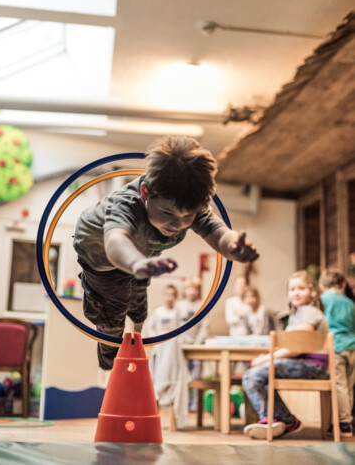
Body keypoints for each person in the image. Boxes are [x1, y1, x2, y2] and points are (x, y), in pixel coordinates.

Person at [73, 136, 259, 370]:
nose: (178, 223)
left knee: (139, 296)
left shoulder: (190, 205)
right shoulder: (126, 204)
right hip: (100, 256)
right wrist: (135, 263)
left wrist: (233, 246)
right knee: (113, 308)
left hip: (141, 254)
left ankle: (137, 318)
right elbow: (115, 241)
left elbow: (219, 233)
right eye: (167, 212)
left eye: (187, 216)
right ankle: (110, 349)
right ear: (145, 192)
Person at [242, 271, 329, 439]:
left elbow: (297, 347)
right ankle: (276, 418)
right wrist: (269, 354)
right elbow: (291, 346)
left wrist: (266, 358)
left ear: (312, 291)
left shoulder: (309, 312)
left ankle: (281, 419)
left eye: (301, 288)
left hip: (313, 366)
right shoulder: (297, 314)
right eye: (292, 289)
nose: (296, 293)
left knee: (256, 374)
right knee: (251, 375)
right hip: (302, 364)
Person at [319, 268, 355, 438]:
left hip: (336, 347)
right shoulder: (350, 302)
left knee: (339, 385)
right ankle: (348, 419)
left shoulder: (323, 300)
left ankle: (343, 423)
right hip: (352, 347)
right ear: (342, 284)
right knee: (348, 385)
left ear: (322, 285)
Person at [176, 277, 208, 412]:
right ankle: (183, 404)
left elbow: (205, 327)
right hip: (182, 346)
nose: (191, 291)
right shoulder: (179, 306)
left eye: (194, 289)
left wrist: (197, 343)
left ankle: (196, 405)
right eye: (189, 288)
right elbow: (175, 325)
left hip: (197, 347)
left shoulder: (202, 305)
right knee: (182, 376)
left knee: (196, 377)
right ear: (185, 290)